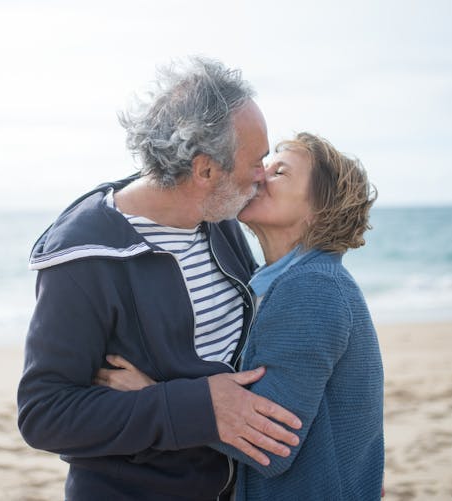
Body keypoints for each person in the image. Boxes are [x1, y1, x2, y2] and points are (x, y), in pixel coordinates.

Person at [16, 57, 302, 501]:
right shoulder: (82, 258)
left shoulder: (216, 216)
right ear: (205, 170)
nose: (263, 175)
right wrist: (194, 408)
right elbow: (45, 415)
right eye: (257, 159)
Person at [97, 132, 384, 499]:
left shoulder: (311, 289)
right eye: (266, 165)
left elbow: (269, 445)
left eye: (280, 172)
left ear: (319, 210)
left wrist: (153, 396)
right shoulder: (300, 280)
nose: (260, 174)